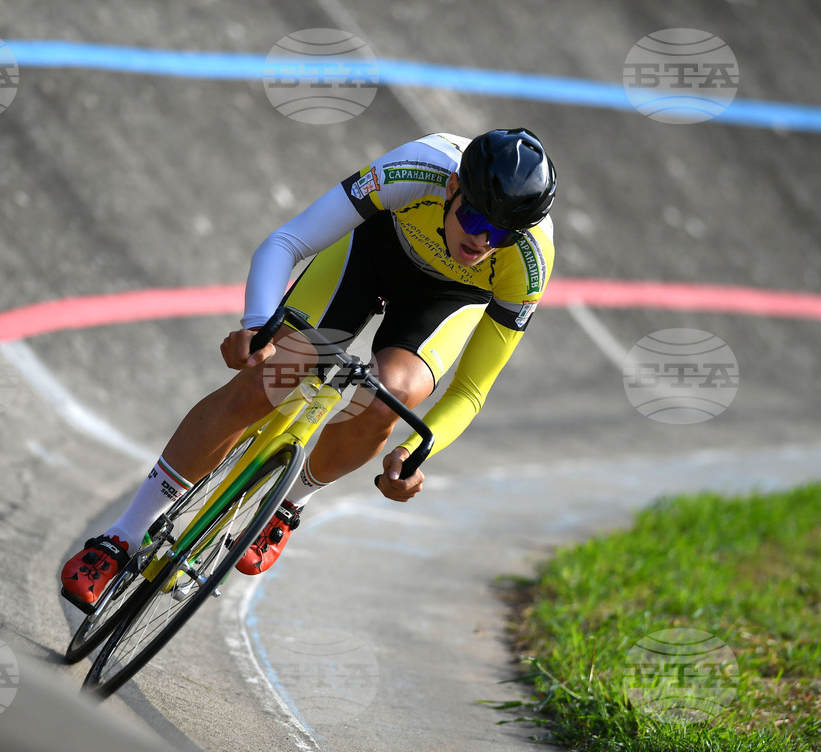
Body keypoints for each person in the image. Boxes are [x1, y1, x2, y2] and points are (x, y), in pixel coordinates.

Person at [61, 128, 557, 607]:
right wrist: (257, 329)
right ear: (452, 187)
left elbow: (470, 390)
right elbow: (288, 242)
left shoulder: (530, 260)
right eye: (474, 220)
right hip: (375, 248)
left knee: (394, 394)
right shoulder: (416, 167)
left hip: (449, 298)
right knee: (272, 377)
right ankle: (121, 537)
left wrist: (411, 454)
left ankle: (289, 501)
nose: (482, 242)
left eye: (500, 234)